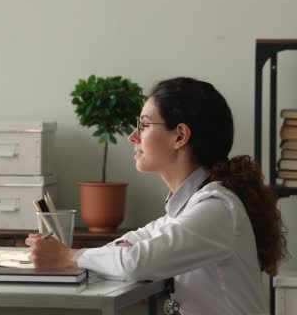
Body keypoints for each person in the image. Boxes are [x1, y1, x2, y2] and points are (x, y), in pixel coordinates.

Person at [26, 77, 287, 315]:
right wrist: (120, 253)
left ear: (180, 136)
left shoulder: (216, 208)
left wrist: (66, 256)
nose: (132, 137)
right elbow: (133, 245)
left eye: (144, 125)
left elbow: (137, 262)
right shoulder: (186, 209)